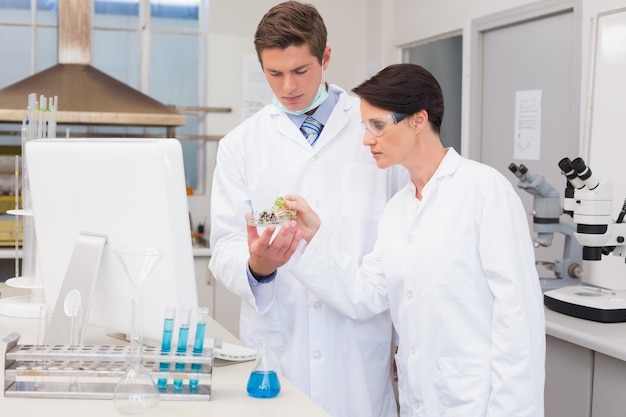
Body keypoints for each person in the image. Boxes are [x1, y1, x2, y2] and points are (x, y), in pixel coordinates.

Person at [283, 63, 546, 416]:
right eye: (365, 126)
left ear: (418, 120)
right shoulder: (397, 211)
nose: (366, 139)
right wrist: (311, 238)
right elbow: (364, 294)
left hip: (476, 403)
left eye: (377, 125)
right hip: (418, 401)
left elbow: (519, 324)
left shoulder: (484, 191)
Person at [208, 2, 406, 417]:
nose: (287, 88)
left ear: (326, 57)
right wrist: (257, 267)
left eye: (300, 71)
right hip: (282, 345)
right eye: (274, 73)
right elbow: (225, 246)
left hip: (358, 349)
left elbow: (403, 244)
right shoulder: (241, 146)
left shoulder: (376, 131)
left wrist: (407, 339)